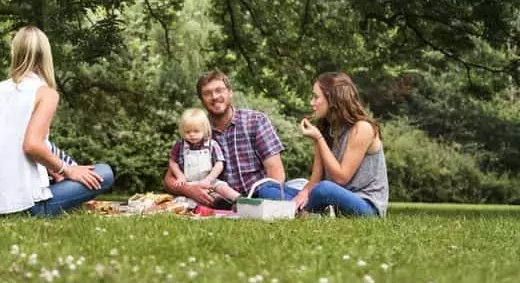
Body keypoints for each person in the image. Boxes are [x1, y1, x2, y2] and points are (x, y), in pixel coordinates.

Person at [0, 25, 114, 216]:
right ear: (46, 56)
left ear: (15, 54)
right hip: (24, 206)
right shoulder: (46, 94)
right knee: (104, 172)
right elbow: (31, 145)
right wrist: (66, 169)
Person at [164, 70, 300, 206]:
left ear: (230, 92)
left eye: (219, 90)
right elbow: (169, 179)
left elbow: (276, 174)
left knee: (275, 192)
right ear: (201, 100)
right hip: (220, 201)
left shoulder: (256, 121)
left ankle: (300, 203)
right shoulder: (195, 130)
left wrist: (267, 206)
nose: (214, 96)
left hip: (259, 196)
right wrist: (189, 190)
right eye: (207, 93)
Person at [293, 72, 388, 217]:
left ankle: (303, 213)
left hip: (366, 205)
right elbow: (315, 178)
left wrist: (318, 139)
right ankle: (303, 210)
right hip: (334, 199)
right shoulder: (326, 129)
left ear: (332, 99)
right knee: (272, 189)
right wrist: (303, 193)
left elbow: (341, 178)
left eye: (316, 97)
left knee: (324, 189)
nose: (312, 103)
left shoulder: (362, 128)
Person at [167, 108, 240, 204]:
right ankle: (220, 204)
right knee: (186, 200)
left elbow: (219, 164)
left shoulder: (212, 144)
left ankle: (239, 199)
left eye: (196, 131)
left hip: (209, 180)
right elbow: (172, 162)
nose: (192, 135)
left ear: (204, 129)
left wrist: (208, 179)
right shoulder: (180, 145)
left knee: (222, 187)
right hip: (190, 183)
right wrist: (180, 176)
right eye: (188, 132)